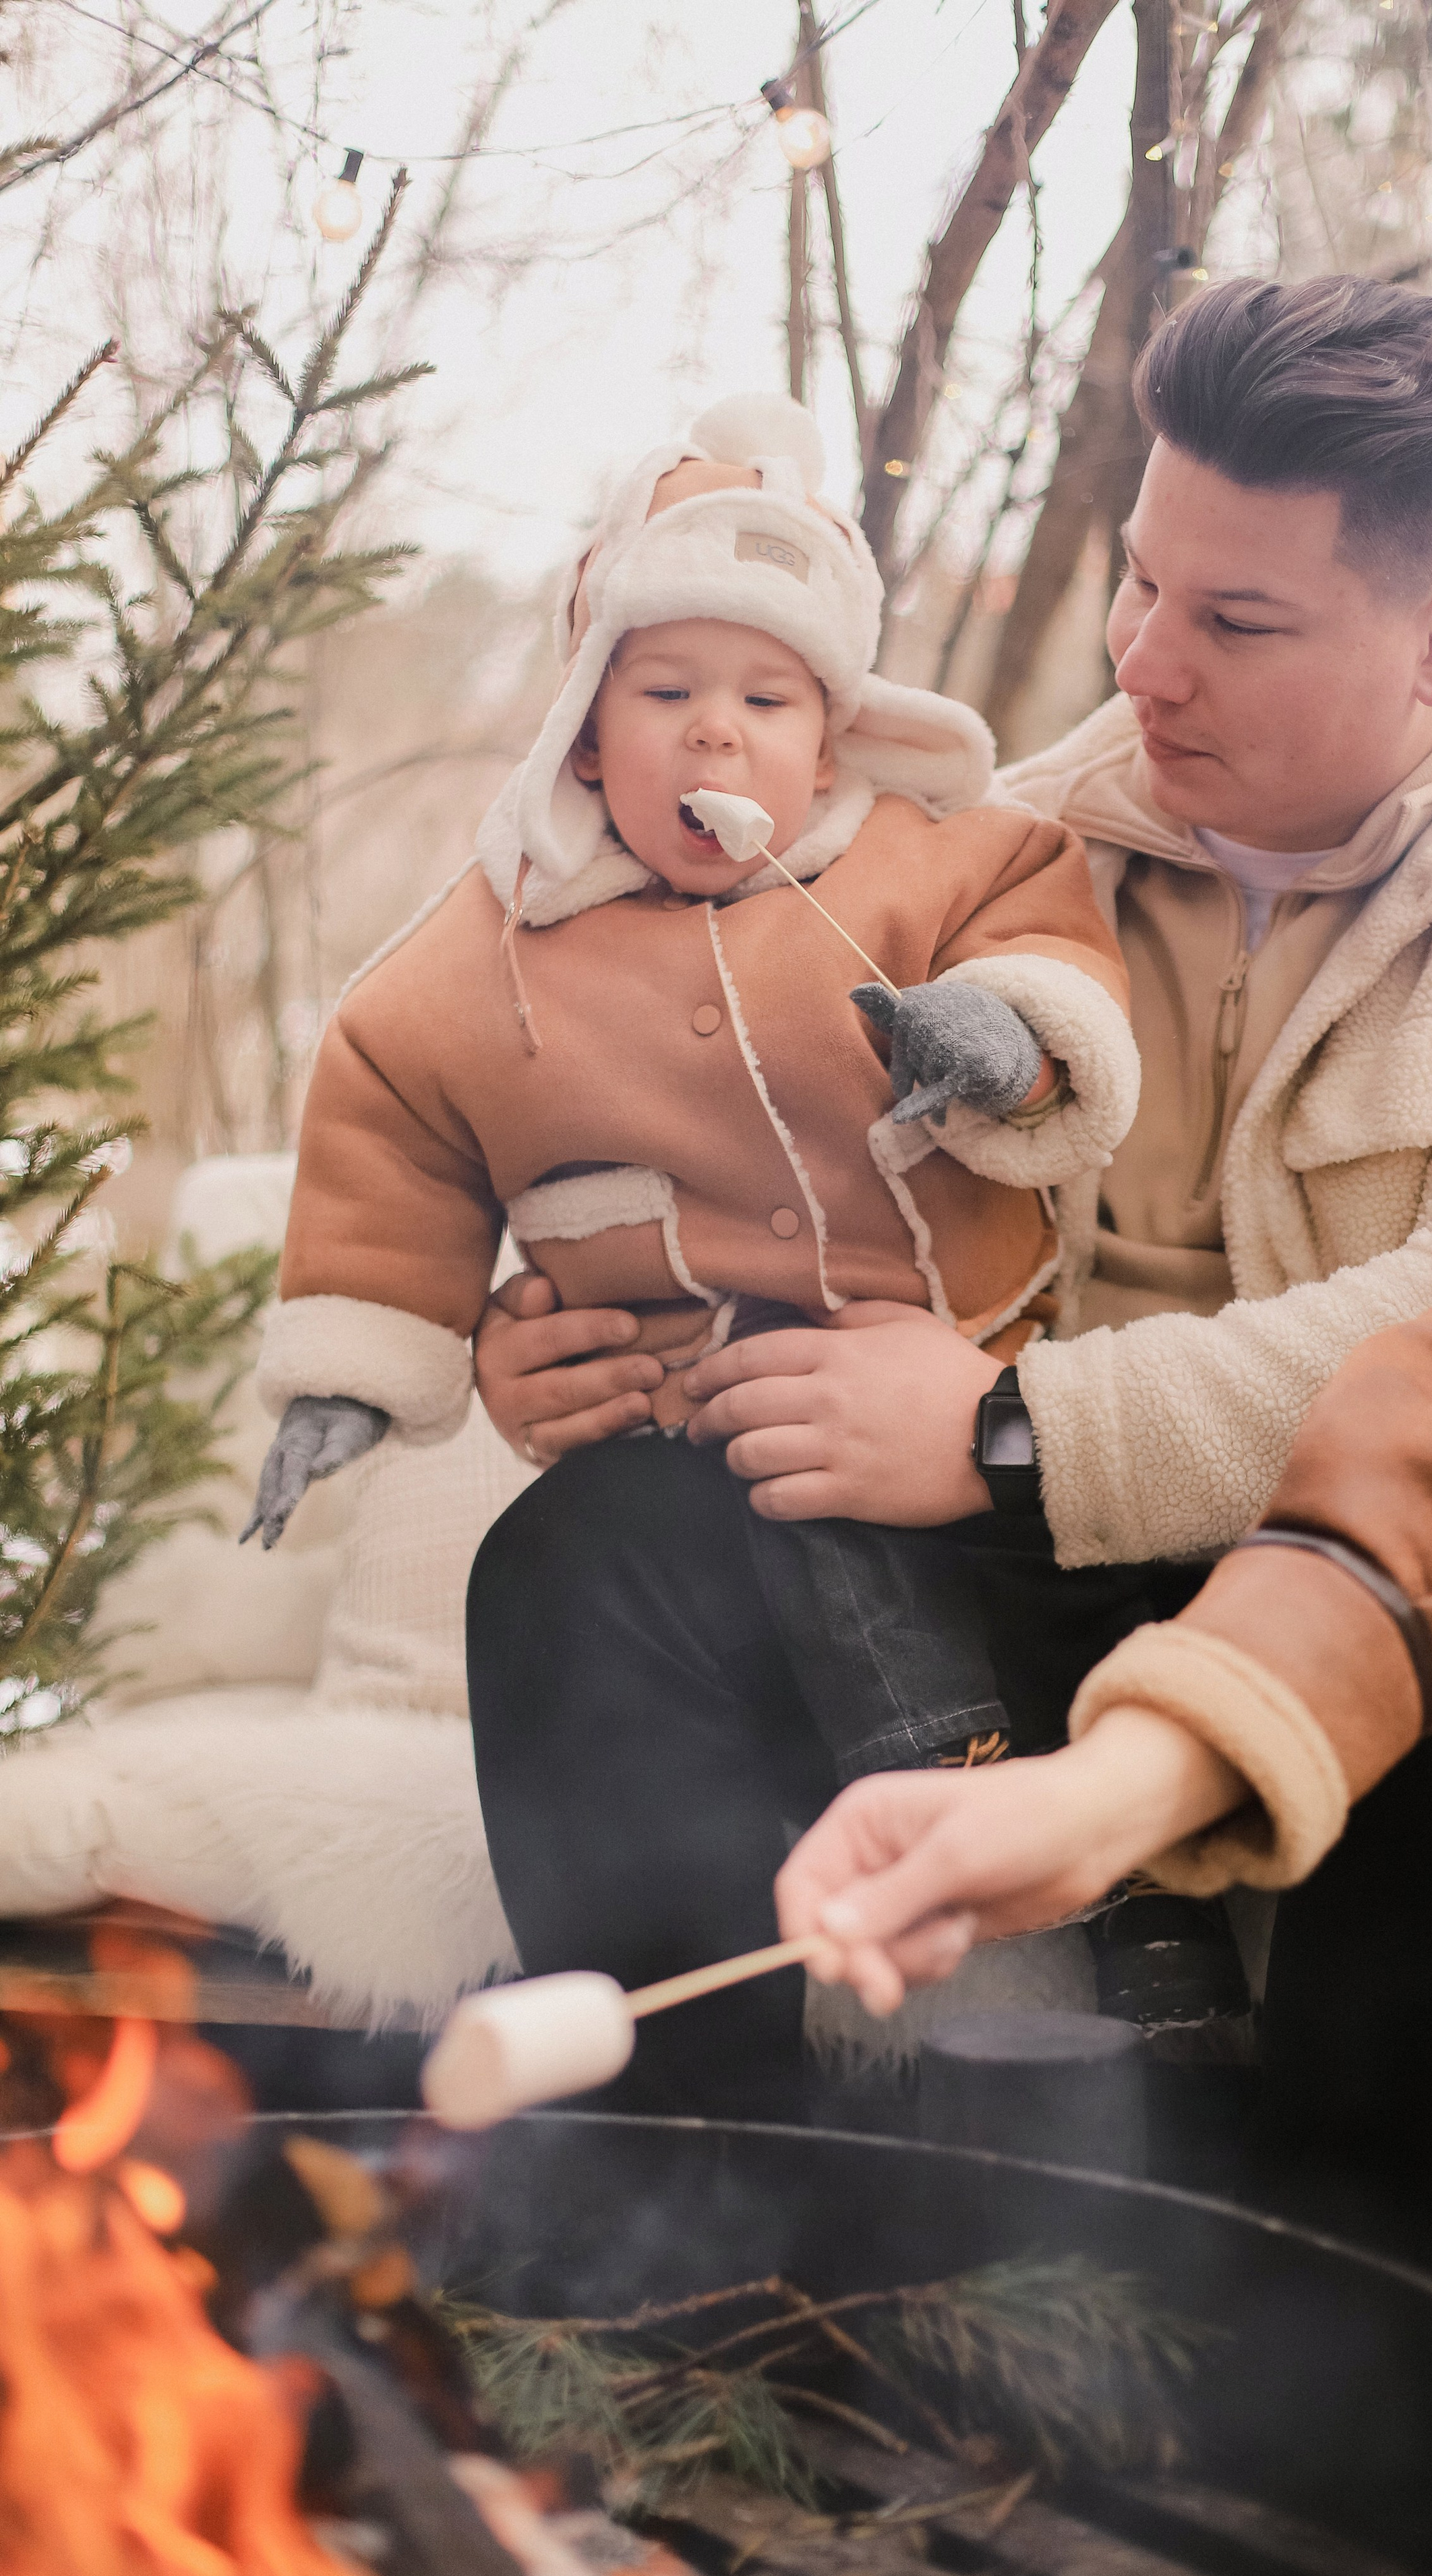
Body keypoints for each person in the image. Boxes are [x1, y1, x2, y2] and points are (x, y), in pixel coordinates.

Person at [469, 278, 1432, 2157]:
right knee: (587, 1558)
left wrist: (1013, 1433)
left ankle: (1324, 2280)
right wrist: (588, 1330)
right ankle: (715, 2234)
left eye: (1234, 621)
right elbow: (736, 1161)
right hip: (974, 1589)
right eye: (1142, 581)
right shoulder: (982, 847)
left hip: (1353, 1590)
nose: (1144, 661)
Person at [241, 391, 1141, 1919]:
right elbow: (389, 1119)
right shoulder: (496, 944)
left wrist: (1004, 1037)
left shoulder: (933, 856)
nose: (716, 729)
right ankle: (697, 1989)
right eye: (666, 689)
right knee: (592, 1555)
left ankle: (1025, 1804)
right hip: (688, 1430)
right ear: (589, 730)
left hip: (963, 1391)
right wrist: (356, 1373)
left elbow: (1043, 935)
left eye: (767, 699)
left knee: (981, 1546)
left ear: (833, 732)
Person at [777, 946, 1432, 2168]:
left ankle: (1363, 2220)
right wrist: (1114, 1790)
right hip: (1177, 1580)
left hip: (1159, 1498)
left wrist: (1011, 1427)